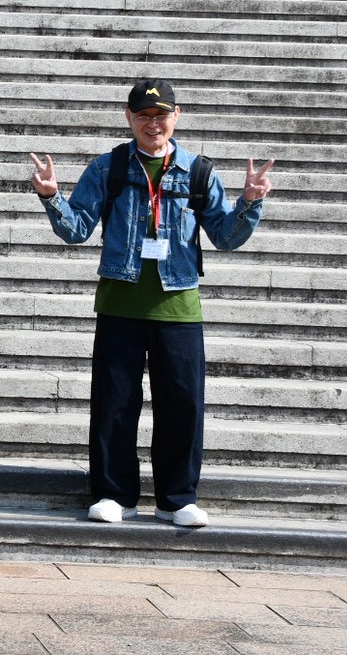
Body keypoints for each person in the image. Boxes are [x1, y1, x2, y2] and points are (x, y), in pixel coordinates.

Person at [30, 78, 274, 528]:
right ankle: (114, 494)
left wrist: (249, 203)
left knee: (182, 405)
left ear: (176, 117)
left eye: (161, 115)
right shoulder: (108, 168)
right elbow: (76, 229)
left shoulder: (198, 172)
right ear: (129, 118)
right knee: (114, 405)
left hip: (179, 306)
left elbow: (225, 236)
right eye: (143, 115)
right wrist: (51, 198)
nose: (152, 124)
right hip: (119, 305)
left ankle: (177, 498)